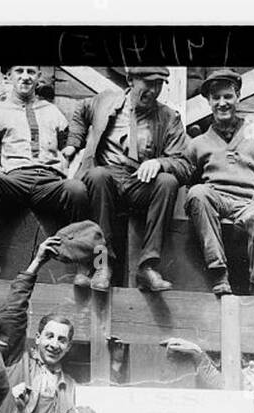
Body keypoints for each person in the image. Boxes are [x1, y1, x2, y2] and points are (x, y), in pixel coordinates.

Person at [65, 65, 192, 293]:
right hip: (106, 181)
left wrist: (160, 162)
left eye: (158, 85)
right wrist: (73, 143)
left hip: (139, 184)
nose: (153, 91)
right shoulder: (104, 102)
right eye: (148, 83)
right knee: (97, 175)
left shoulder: (169, 117)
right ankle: (102, 265)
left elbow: (184, 164)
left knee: (167, 182)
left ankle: (148, 267)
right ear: (130, 80)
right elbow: (79, 111)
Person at [0, 65, 88, 287]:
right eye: (19, 71)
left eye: (31, 71)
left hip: (49, 180)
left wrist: (65, 166)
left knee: (76, 190)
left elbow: (67, 143)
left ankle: (81, 264)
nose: (25, 76)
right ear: (8, 76)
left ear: (39, 77)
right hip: (14, 178)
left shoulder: (51, 110)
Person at [187, 68, 254, 298]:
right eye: (216, 98)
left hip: (250, 202)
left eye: (228, 96)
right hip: (217, 200)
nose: (222, 103)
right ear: (209, 102)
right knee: (197, 193)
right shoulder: (198, 143)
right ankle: (218, 272)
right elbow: (185, 175)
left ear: (238, 97)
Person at [0, 239, 79, 413]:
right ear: (38, 338)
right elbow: (12, 314)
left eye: (61, 340)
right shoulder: (16, 361)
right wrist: (37, 262)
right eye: (49, 336)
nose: (54, 344)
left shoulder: (69, 386)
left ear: (68, 346)